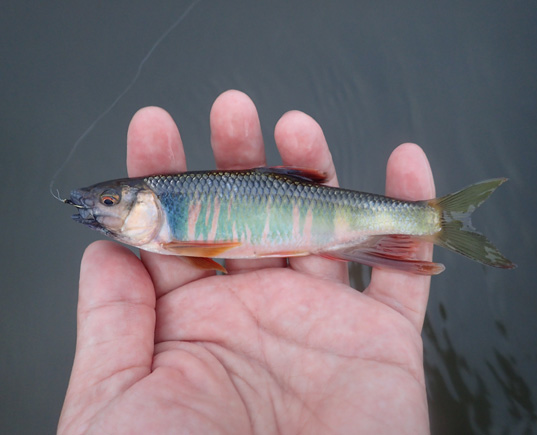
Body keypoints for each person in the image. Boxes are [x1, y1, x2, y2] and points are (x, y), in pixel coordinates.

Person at [58, 90, 434, 434]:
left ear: (147, 203)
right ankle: (426, 220)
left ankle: (430, 220)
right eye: (108, 203)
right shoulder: (164, 231)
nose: (103, 208)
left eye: (110, 202)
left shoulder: (170, 236)